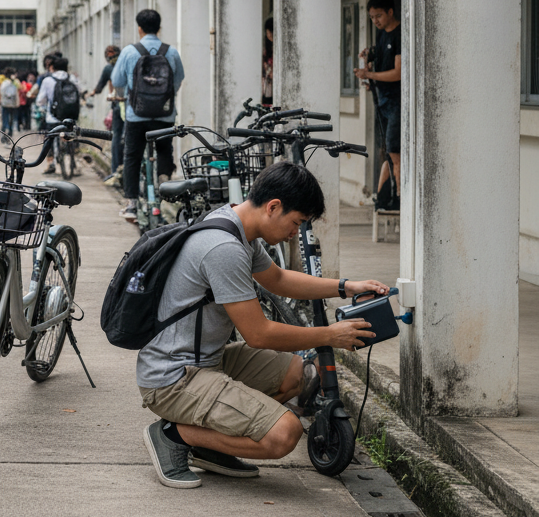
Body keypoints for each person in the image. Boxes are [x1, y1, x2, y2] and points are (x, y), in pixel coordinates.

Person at [138, 161, 390, 488]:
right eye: (296, 222)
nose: (293, 234)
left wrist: (346, 286)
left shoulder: (236, 225)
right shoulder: (224, 247)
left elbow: (279, 279)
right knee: (285, 434)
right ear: (273, 207)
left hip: (206, 361)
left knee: (297, 374)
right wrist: (330, 335)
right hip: (174, 378)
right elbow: (258, 334)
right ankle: (174, 435)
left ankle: (208, 446)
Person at [111, 9, 185, 221]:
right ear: (159, 28)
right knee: (164, 150)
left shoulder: (129, 51)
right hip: (165, 115)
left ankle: (132, 204)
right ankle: (163, 179)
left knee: (132, 156)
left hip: (137, 116)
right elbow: (178, 80)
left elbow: (117, 82)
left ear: (139, 28)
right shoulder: (171, 52)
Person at [355, 0, 401, 211]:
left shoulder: (399, 35)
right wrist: (370, 58)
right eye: (372, 17)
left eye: (379, 16)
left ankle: (399, 197)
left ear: (391, 12)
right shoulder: (382, 36)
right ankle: (385, 196)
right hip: (383, 102)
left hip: (396, 103)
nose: (376, 21)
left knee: (395, 152)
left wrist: (369, 75)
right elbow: (382, 65)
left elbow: (397, 73)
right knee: (388, 153)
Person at [35, 55, 83, 175]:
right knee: (72, 137)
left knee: (49, 139)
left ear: (52, 67)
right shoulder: (72, 78)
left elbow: (40, 100)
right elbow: (80, 92)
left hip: (52, 117)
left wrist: (43, 106)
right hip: (70, 116)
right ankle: (74, 163)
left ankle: (50, 164)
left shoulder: (48, 80)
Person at [93, 45, 123, 179]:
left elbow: (99, 87)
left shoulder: (109, 68)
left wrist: (92, 93)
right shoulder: (126, 65)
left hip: (118, 106)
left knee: (116, 137)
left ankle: (116, 171)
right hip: (133, 107)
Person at [261, 18, 273, 108]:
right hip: (267, 89)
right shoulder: (267, 52)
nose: (269, 34)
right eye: (268, 32)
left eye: (270, 31)